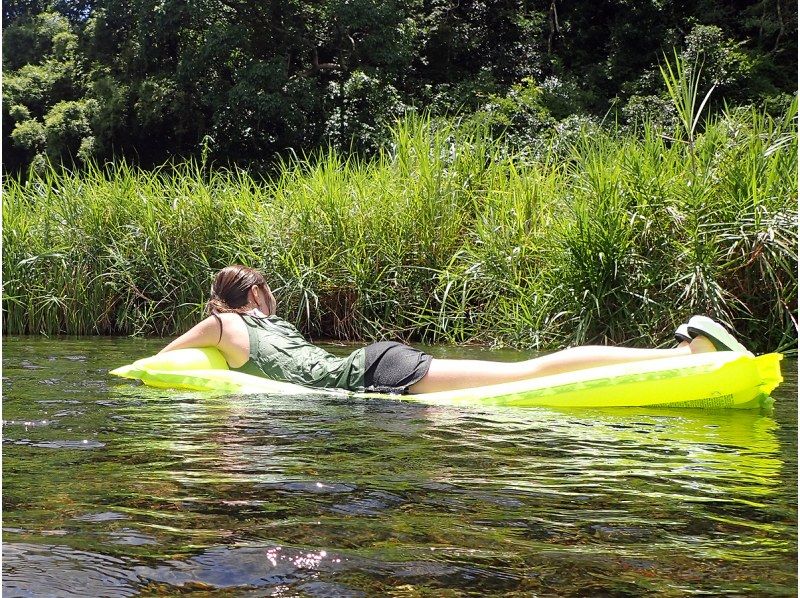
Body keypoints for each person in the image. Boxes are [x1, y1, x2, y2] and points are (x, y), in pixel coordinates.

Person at [160, 265, 750, 394]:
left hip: (371, 374)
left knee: (530, 371)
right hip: (372, 361)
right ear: (260, 295)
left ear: (224, 300)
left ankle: (683, 352)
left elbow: (160, 359)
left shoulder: (220, 325)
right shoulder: (278, 325)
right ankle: (674, 353)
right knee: (526, 373)